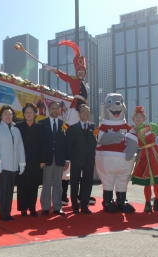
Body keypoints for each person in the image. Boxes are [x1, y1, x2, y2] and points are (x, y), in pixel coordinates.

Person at [44, 41, 93, 207]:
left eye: (82, 71)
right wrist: (53, 70)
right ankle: (64, 195)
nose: (80, 73)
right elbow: (64, 76)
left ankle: (81, 195)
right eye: (78, 70)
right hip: (74, 110)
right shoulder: (74, 81)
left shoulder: (85, 85)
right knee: (69, 135)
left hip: (82, 110)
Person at [0, 105, 26, 221]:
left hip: (13, 167)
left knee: (10, 190)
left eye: (10, 114)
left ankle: (7, 212)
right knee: (1, 190)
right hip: (2, 166)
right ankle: (2, 214)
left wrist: (21, 163)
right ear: (1, 116)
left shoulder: (16, 129)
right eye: (5, 114)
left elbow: (20, 147)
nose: (8, 116)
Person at [39, 102, 69, 216]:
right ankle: (45, 207)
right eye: (52, 108)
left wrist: (67, 160)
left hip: (60, 159)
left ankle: (57, 207)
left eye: (57, 108)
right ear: (49, 110)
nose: (55, 110)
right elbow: (40, 144)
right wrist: (41, 159)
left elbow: (66, 144)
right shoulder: (42, 124)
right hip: (47, 159)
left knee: (58, 184)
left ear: (59, 110)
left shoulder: (64, 125)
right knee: (46, 183)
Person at [66, 104, 97, 215]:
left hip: (89, 159)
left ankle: (85, 205)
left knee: (88, 183)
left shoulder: (94, 127)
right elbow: (68, 145)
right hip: (76, 159)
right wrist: (67, 160)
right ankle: (75, 206)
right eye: (83, 111)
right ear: (79, 114)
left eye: (87, 111)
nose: (85, 113)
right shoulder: (72, 128)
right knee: (75, 183)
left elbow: (96, 143)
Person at [15, 103, 44, 217]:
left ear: (35, 114)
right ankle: (23, 209)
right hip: (21, 161)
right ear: (23, 114)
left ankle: (32, 208)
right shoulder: (17, 127)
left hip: (35, 162)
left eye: (31, 112)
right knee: (22, 185)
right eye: (26, 112)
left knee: (34, 185)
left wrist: (43, 160)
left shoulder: (40, 127)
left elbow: (44, 146)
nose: (29, 114)